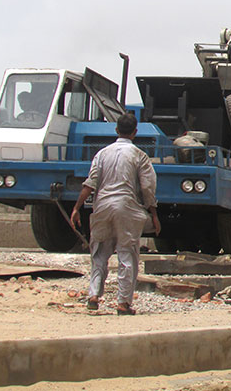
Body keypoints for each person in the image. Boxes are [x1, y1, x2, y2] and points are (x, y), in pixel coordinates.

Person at [70, 113, 161, 315]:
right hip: (127, 208)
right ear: (135, 132)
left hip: (102, 206)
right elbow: (147, 187)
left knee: (99, 253)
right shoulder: (139, 156)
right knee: (127, 255)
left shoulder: (102, 154)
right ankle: (123, 303)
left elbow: (90, 183)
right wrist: (153, 213)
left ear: (116, 130)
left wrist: (76, 207)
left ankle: (93, 295)